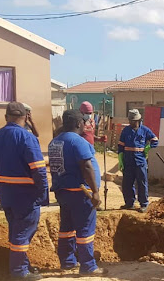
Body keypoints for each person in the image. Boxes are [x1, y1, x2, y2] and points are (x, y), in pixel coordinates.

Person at [0, 102, 48, 280]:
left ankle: (22, 265)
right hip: (26, 195)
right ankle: (19, 272)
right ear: (26, 117)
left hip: (7, 194)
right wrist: (42, 193)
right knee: (23, 231)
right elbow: (39, 169)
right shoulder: (27, 138)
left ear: (6, 117)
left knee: (16, 230)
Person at [48, 109, 106, 275]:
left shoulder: (55, 142)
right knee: (85, 229)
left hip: (63, 192)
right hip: (81, 193)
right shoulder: (77, 141)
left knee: (67, 227)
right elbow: (86, 166)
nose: (85, 124)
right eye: (84, 122)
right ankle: (88, 266)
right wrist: (95, 192)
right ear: (78, 123)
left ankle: (67, 261)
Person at [117, 109, 158, 212]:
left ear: (139, 120)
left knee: (142, 183)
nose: (132, 122)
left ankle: (143, 204)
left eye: (134, 120)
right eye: (131, 120)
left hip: (140, 162)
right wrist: (120, 158)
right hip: (128, 162)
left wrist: (148, 147)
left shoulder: (145, 130)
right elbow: (121, 146)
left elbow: (155, 140)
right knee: (127, 184)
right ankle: (129, 203)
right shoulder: (126, 131)